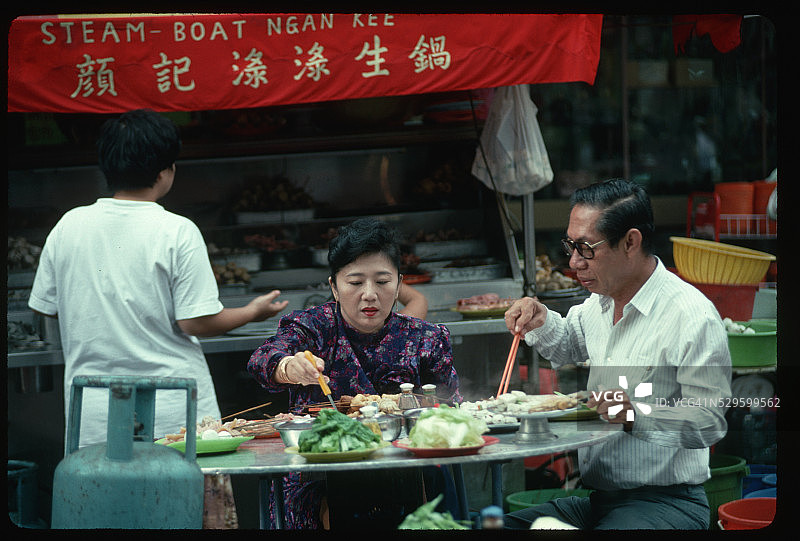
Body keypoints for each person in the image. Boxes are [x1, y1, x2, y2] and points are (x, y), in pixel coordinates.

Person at [28, 109, 288, 528]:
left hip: (96, 414)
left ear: (106, 166)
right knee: (186, 516)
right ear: (167, 171)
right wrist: (252, 311)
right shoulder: (177, 230)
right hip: (176, 416)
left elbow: (44, 306)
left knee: (104, 516)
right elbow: (196, 322)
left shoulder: (67, 226)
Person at [502, 178, 732, 530]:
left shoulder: (691, 316)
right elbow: (569, 342)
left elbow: (710, 421)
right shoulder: (600, 301)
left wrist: (632, 414)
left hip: (668, 501)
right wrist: (540, 318)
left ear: (630, 241)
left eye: (586, 248)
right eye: (570, 246)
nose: (575, 262)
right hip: (600, 500)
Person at [247, 217, 462, 529]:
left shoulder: (425, 338)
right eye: (355, 282)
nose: (370, 294)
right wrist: (288, 366)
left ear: (400, 283)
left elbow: (454, 407)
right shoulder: (311, 327)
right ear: (334, 286)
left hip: (406, 473)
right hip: (319, 477)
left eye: (383, 282)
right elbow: (262, 359)